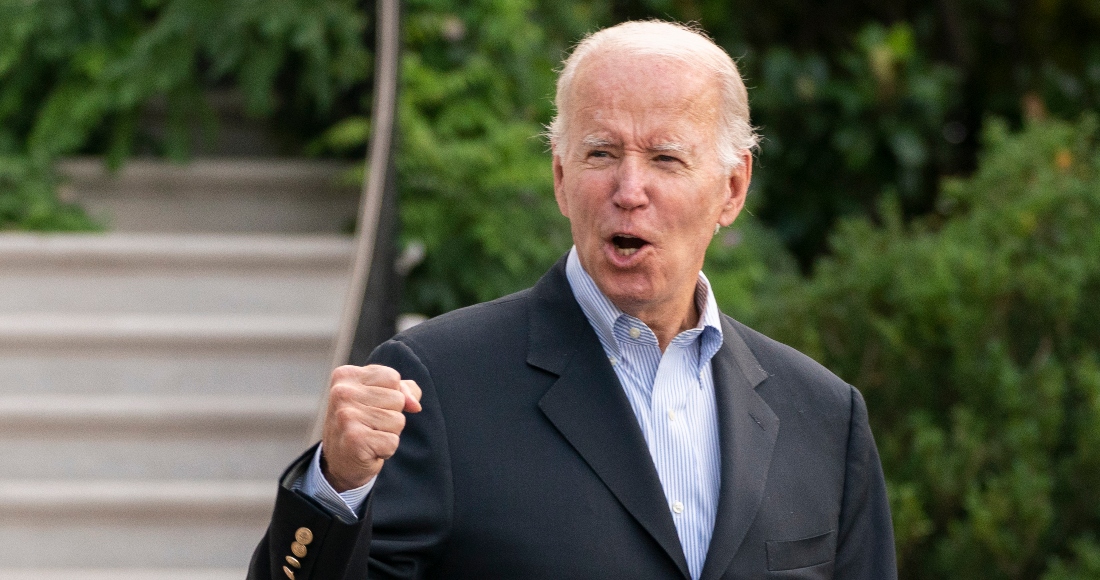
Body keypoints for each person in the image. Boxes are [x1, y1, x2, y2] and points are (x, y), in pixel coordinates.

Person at [248, 20, 897, 580]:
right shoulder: (437, 386)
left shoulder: (824, 418)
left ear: (732, 188)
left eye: (666, 158)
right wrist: (336, 486)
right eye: (601, 153)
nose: (629, 188)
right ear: (561, 178)